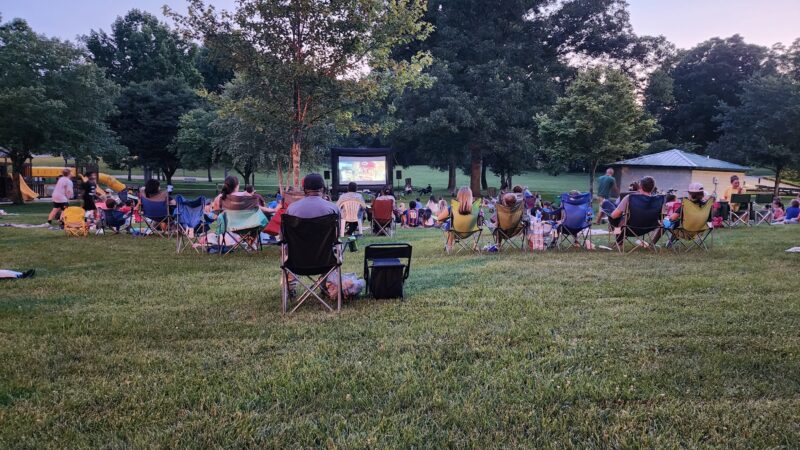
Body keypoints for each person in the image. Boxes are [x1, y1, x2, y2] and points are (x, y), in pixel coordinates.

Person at [610, 176, 662, 245]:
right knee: (620, 218)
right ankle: (619, 240)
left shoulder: (630, 197)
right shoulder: (658, 200)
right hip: (649, 228)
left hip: (629, 229)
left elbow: (614, 215)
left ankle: (619, 242)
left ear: (640, 186)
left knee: (613, 218)